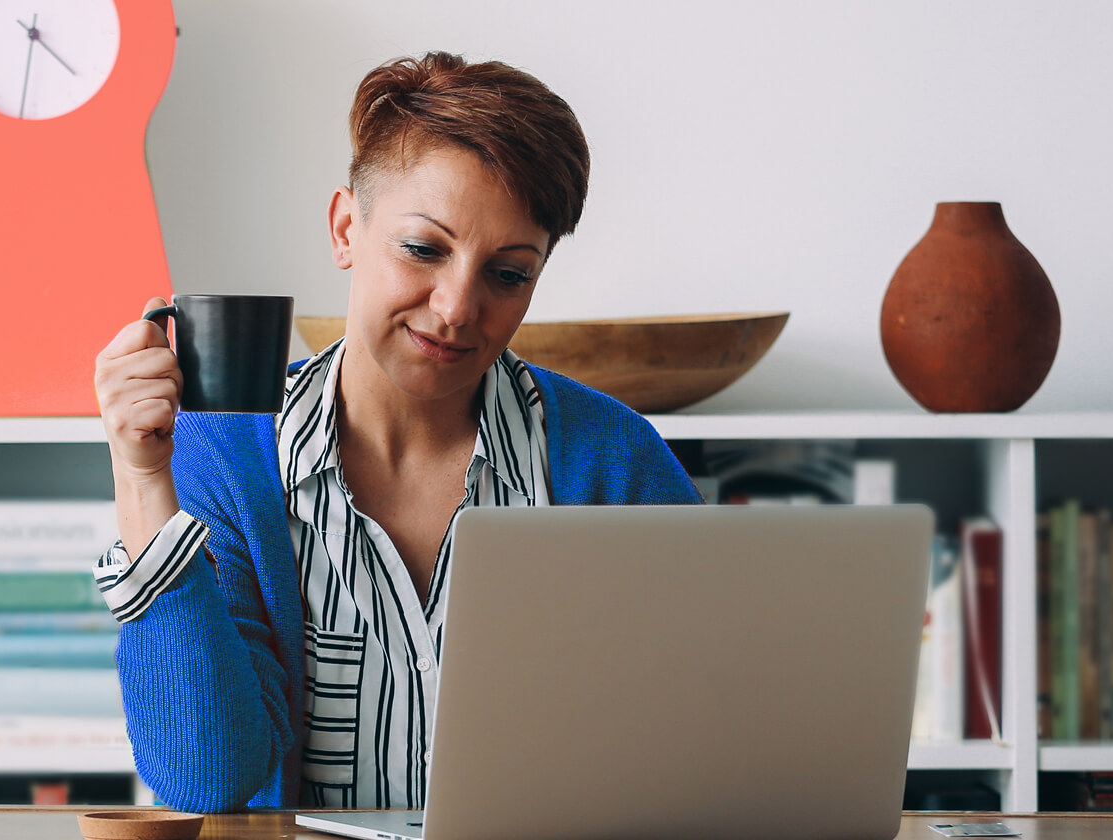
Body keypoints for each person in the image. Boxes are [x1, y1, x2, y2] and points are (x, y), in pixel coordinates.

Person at [92, 51, 701, 814]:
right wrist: (142, 480)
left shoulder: (610, 460)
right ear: (348, 228)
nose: (456, 307)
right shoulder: (227, 456)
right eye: (424, 249)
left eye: (508, 274)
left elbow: (697, 741)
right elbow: (205, 776)